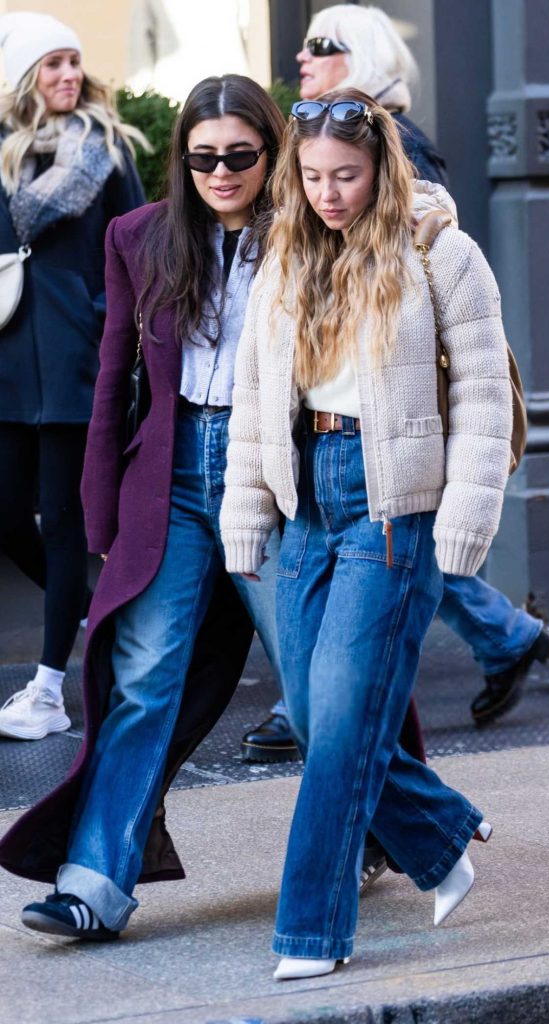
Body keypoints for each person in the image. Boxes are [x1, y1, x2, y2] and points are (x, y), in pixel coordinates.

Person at [220, 88, 508, 979]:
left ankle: (310, 932)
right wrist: (247, 514)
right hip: (308, 500)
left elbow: (484, 397)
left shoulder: (442, 254)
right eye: (310, 177)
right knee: (313, 717)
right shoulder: (284, 262)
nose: (328, 194)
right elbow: (255, 406)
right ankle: (437, 833)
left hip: (393, 511)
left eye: (345, 175)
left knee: (342, 728)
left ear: (382, 168)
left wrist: (465, 517)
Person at [0, 74, 289, 940]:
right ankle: (95, 882)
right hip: (171, 481)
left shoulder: (308, 238)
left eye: (240, 156)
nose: (222, 172)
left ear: (270, 155)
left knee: (319, 691)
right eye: (204, 158)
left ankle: (393, 828)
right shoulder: (141, 236)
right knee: (140, 680)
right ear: (183, 159)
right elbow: (115, 386)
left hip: (273, 481)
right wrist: (100, 515)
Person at [242, 2, 549, 764]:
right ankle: (504, 641)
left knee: (358, 669)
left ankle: (497, 644)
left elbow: (447, 311)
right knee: (338, 701)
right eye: (314, 176)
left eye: (325, 47)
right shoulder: (316, 180)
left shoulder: (393, 146)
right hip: (326, 456)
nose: (306, 59)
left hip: (389, 434)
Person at [0, 12, 146, 740]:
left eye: (74, 63)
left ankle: (51, 691)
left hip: (74, 364)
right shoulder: (1, 153)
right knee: (5, 515)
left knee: (62, 522)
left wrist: (103, 318)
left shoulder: (108, 150)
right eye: (52, 64)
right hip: (5, 364)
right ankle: (90, 609)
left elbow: (142, 248)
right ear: (25, 75)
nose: (68, 76)